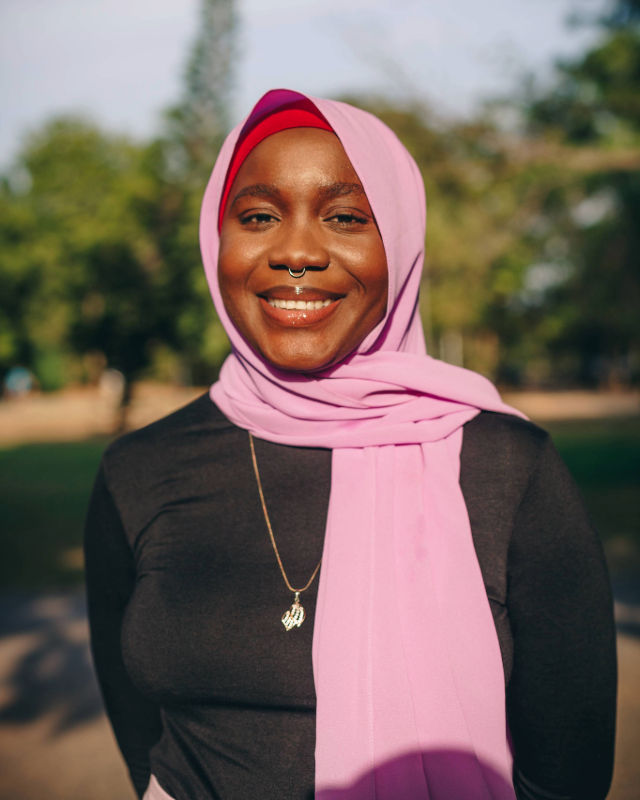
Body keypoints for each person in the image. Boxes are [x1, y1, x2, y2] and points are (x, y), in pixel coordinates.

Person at [84, 90, 617, 800]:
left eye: (344, 217)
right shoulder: (138, 471)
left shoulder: (508, 470)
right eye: (259, 217)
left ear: (399, 244)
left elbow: (568, 773)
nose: (297, 252)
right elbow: (141, 738)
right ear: (217, 244)